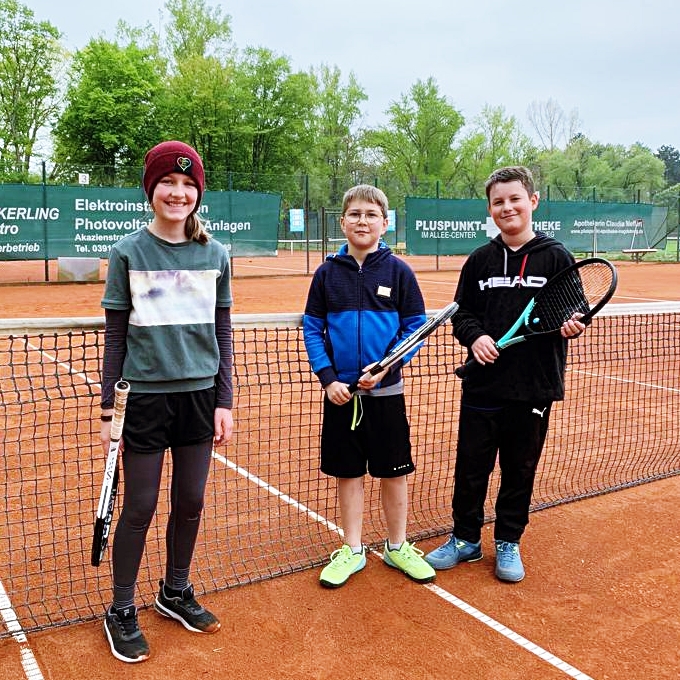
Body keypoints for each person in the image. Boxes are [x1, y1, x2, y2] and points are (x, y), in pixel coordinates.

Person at [99, 141, 234, 662]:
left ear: (197, 193)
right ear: (151, 190)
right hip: (145, 402)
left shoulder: (216, 253)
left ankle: (174, 591)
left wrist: (224, 399)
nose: (178, 193)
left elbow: (222, 332)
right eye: (167, 184)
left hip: (200, 399)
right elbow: (114, 338)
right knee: (140, 506)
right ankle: (122, 607)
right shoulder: (127, 252)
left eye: (188, 185)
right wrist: (110, 410)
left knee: (192, 501)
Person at [425, 166, 585, 583]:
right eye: (498, 202)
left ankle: (508, 540)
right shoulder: (480, 260)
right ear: (490, 210)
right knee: (471, 466)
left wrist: (572, 320)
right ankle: (465, 539)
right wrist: (475, 338)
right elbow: (463, 316)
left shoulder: (556, 256)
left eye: (514, 198)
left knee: (520, 468)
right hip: (484, 383)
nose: (507, 207)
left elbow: (573, 310)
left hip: (533, 386)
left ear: (532, 201)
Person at [303, 184, 436, 588]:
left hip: (387, 392)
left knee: (393, 473)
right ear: (342, 222)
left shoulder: (399, 272)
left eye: (371, 214)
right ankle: (353, 549)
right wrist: (328, 380)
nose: (362, 221)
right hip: (341, 395)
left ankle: (397, 547)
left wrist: (386, 367)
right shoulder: (326, 274)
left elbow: (415, 328)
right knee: (349, 474)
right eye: (355, 214)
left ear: (385, 223)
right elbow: (313, 327)